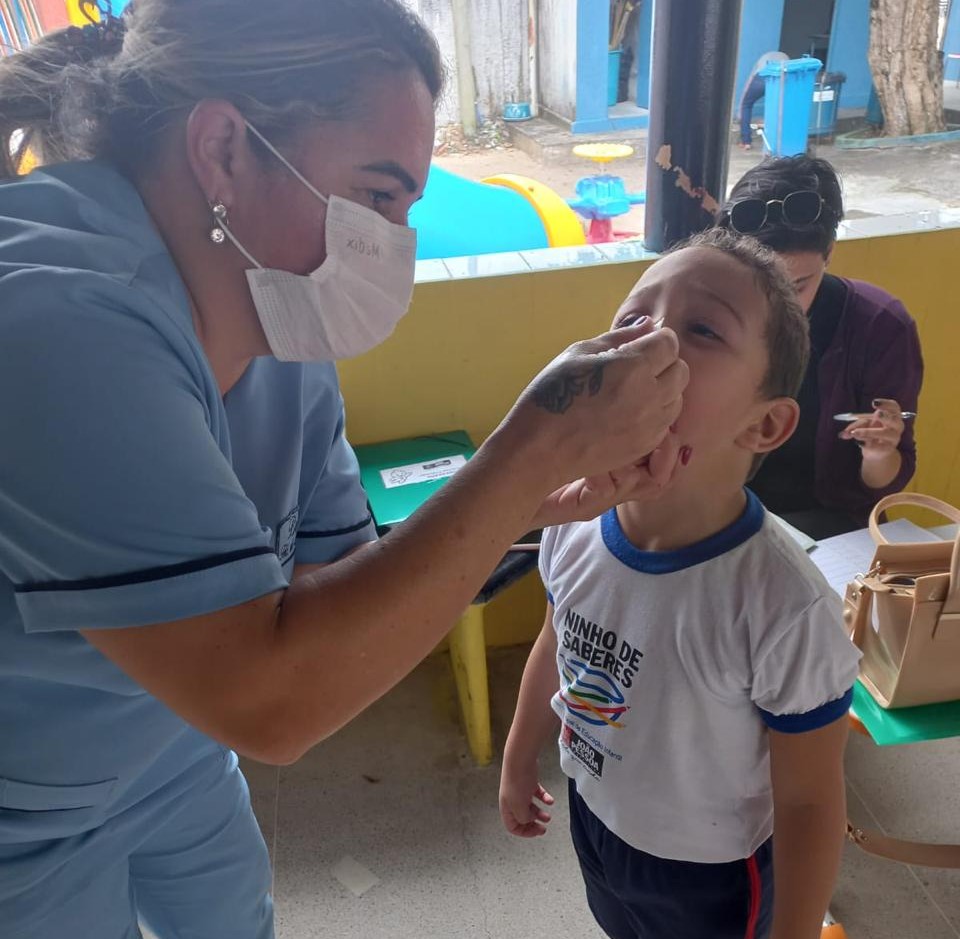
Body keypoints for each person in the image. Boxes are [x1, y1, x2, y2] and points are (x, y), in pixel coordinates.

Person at [0, 2, 690, 936]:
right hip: (25, 800)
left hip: (167, 741)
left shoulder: (279, 327)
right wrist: (529, 448)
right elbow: (272, 701)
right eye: (376, 196)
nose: (394, 244)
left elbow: (334, 590)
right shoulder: (60, 322)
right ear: (224, 149)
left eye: (406, 208)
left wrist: (525, 497)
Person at [499, 229, 860, 939]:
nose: (651, 340)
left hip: (713, 872)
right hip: (597, 817)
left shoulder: (783, 604)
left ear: (765, 424)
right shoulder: (573, 521)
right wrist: (517, 757)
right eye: (634, 317)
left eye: (703, 329)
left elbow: (810, 803)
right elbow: (557, 640)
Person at [717, 155, 923, 539]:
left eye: (798, 286)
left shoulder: (879, 325)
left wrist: (879, 452)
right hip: (723, 512)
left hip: (831, 523)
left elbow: (883, 483)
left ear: (829, 253)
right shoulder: (708, 316)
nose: (780, 306)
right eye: (763, 285)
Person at [738, 51, 788, 150]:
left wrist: (741, 104)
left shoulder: (762, 58)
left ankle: (746, 142)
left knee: (746, 105)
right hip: (779, 79)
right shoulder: (786, 58)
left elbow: (751, 78)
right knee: (780, 106)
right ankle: (779, 141)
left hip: (760, 78)